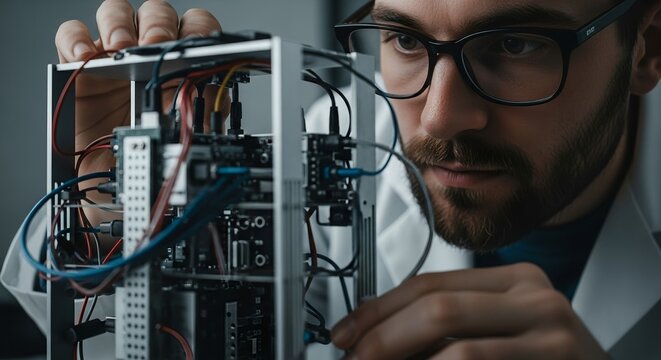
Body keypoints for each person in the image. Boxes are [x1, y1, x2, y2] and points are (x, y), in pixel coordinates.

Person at [2, 0, 661, 359]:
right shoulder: (336, 142)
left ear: (646, 47)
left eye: (516, 44)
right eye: (404, 41)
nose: (439, 115)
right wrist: (124, 206)